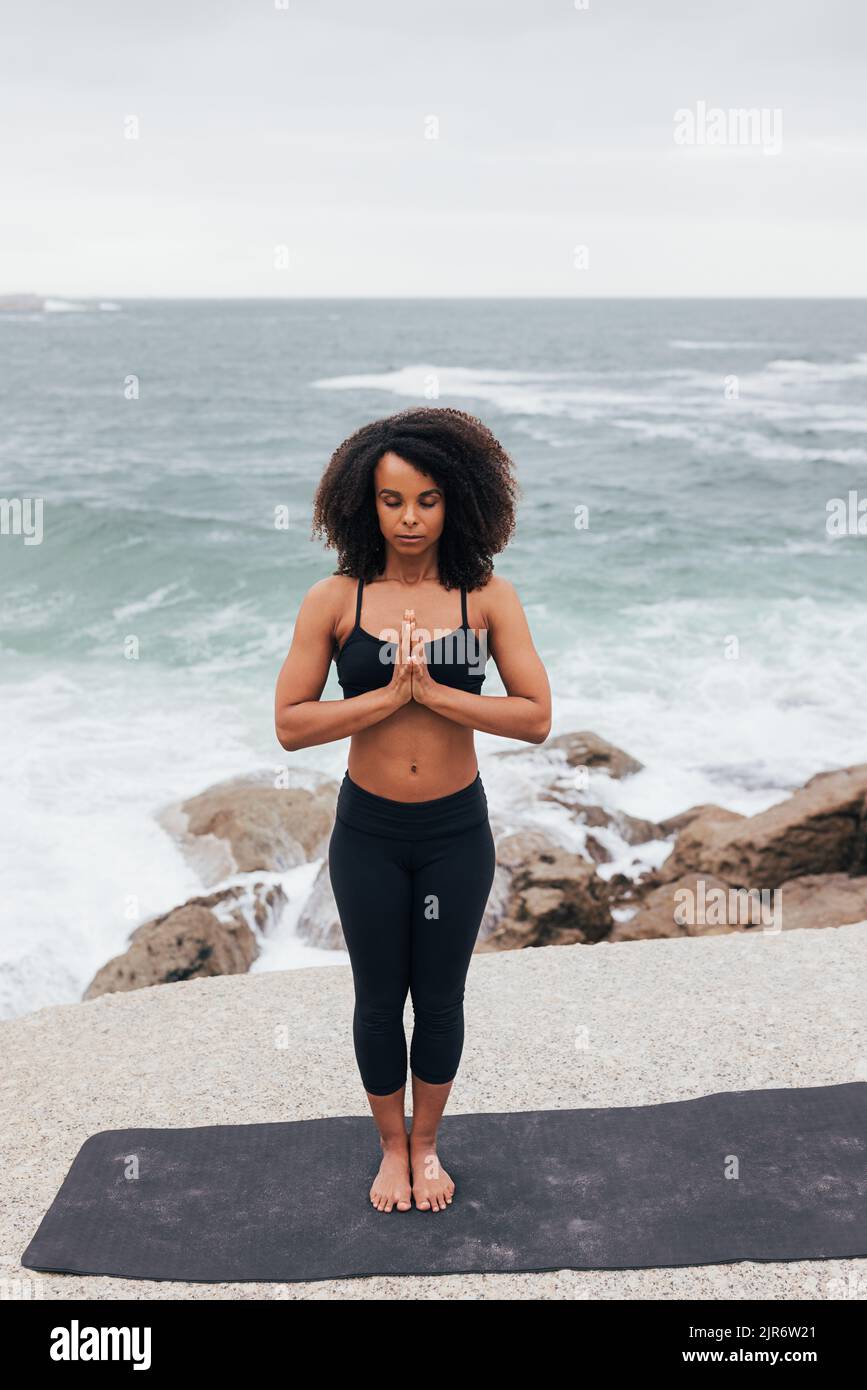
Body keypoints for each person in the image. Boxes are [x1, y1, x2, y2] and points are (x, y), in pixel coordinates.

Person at [274, 406, 551, 1213]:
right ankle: (390, 1149)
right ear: (364, 503)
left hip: (453, 832)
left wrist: (434, 693)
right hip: (368, 831)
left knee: (438, 997)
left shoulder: (484, 598)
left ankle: (428, 1145)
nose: (409, 519)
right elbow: (291, 724)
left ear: (455, 502)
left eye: (426, 500)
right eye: (392, 501)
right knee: (374, 995)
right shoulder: (336, 599)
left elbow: (533, 716)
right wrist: (383, 699)